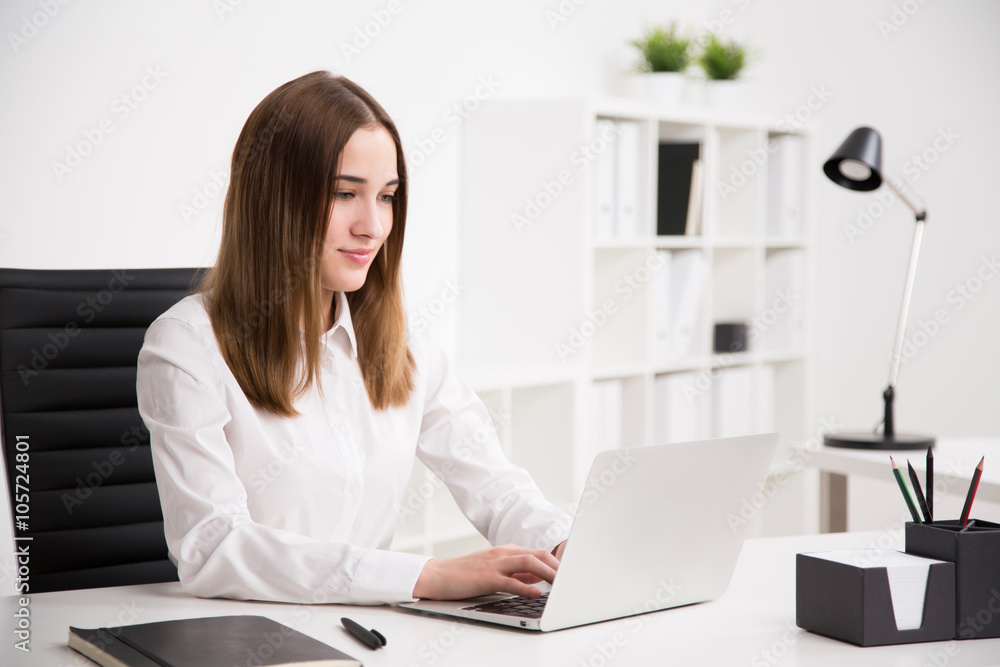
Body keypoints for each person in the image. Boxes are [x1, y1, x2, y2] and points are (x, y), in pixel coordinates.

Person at [136, 71, 570, 606]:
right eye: (345, 193)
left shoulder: (406, 347)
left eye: (386, 196)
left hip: (369, 635)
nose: (374, 226)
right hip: (241, 636)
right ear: (273, 199)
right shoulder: (186, 347)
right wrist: (425, 576)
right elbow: (214, 545)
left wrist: (565, 546)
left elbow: (495, 484)